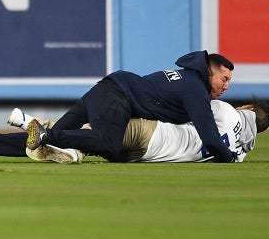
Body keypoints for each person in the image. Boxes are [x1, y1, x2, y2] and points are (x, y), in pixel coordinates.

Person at [24, 50, 238, 162]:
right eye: (224, 78)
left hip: (108, 89)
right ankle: (46, 134)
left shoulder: (187, 79)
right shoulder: (195, 90)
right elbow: (210, 139)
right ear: (209, 71)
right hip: (116, 96)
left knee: (48, 141)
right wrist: (229, 157)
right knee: (110, 145)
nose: (226, 86)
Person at [0, 97, 269, 163]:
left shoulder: (225, 110)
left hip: (146, 132)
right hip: (145, 156)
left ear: (247, 109)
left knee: (58, 137)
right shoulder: (241, 153)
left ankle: (32, 122)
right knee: (61, 143)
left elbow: (183, 112)